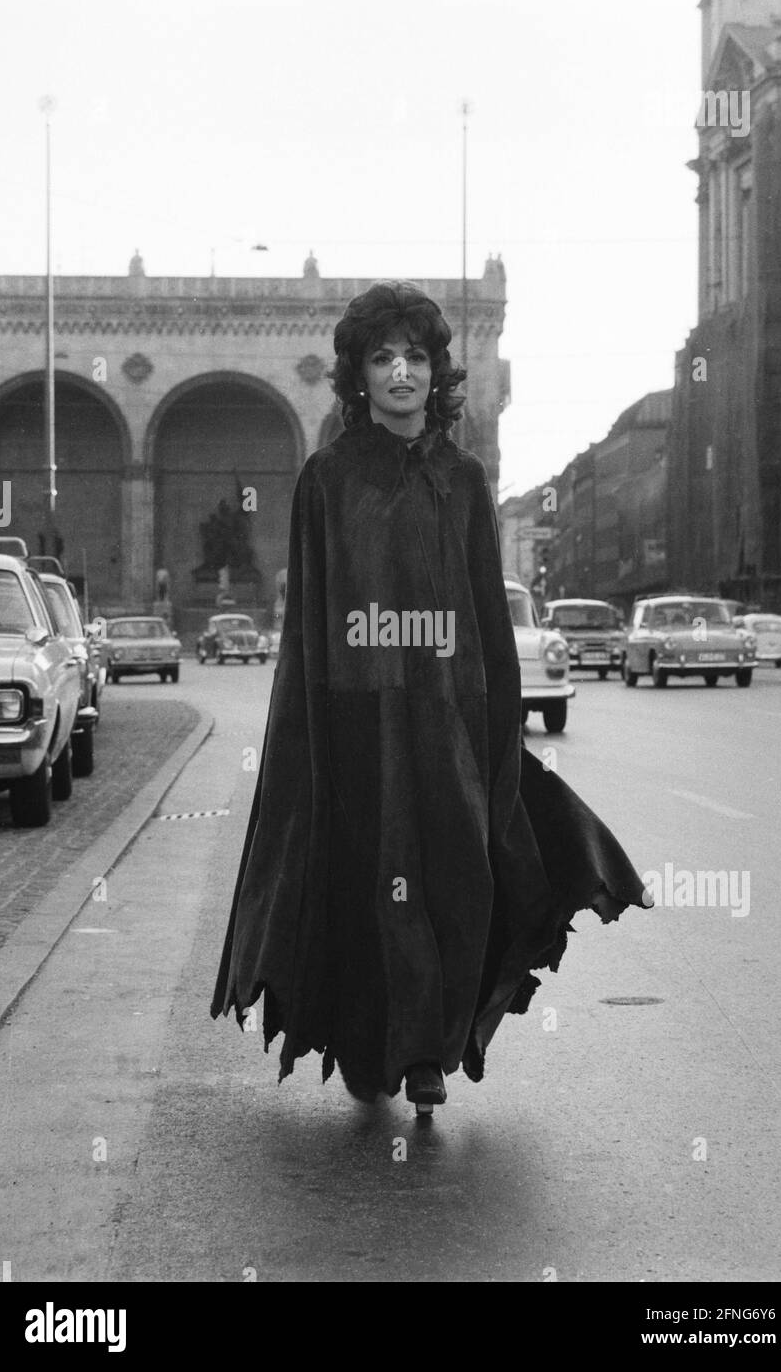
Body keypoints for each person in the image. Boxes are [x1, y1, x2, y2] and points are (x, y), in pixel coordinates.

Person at [211, 281, 650, 1113]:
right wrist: (303, 741)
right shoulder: (327, 480)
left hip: (447, 717)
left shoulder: (462, 478)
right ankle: (380, 1045)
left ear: (435, 371)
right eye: (382, 358)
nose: (400, 372)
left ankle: (427, 1050)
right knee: (368, 880)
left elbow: (488, 615)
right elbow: (307, 622)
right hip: (355, 720)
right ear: (360, 376)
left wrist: (497, 729)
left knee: (456, 878)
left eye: (414, 356)